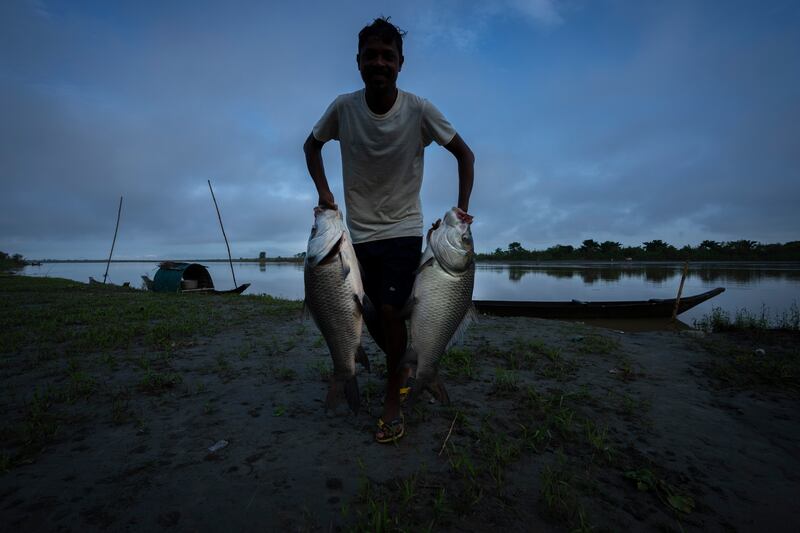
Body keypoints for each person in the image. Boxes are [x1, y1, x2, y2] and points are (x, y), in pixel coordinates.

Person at [304, 17, 474, 443]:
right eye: (371, 56)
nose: (379, 63)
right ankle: (405, 365)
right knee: (371, 313)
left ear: (401, 63)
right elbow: (311, 146)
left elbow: (465, 155)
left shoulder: (419, 109)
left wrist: (462, 210)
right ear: (358, 61)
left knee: (392, 312)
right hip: (355, 235)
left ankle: (393, 397)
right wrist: (325, 193)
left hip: (404, 228)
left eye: (387, 56)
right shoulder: (343, 108)